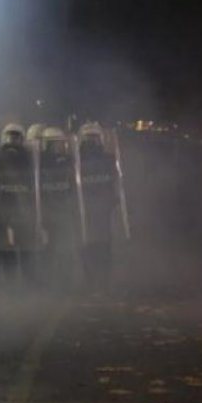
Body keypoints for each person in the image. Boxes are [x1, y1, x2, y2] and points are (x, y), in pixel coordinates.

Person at [77, 123, 119, 292]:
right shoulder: (76, 160)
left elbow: (117, 183)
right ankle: (91, 281)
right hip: (84, 210)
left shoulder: (109, 159)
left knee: (103, 246)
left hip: (103, 210)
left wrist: (114, 200)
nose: (91, 143)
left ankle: (103, 281)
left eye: (93, 139)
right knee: (86, 246)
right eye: (88, 139)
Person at [0, 123, 37, 284]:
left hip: (23, 208)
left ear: (21, 138)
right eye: (9, 136)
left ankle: (28, 279)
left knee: (26, 245)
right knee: (7, 247)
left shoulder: (28, 157)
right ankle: (11, 281)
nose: (12, 140)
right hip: (4, 208)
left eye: (15, 136)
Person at [39, 127, 79, 286]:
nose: (60, 147)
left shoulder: (64, 161)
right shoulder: (41, 162)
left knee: (63, 247)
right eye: (57, 144)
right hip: (51, 211)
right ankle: (54, 280)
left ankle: (63, 279)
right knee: (52, 247)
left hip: (61, 210)